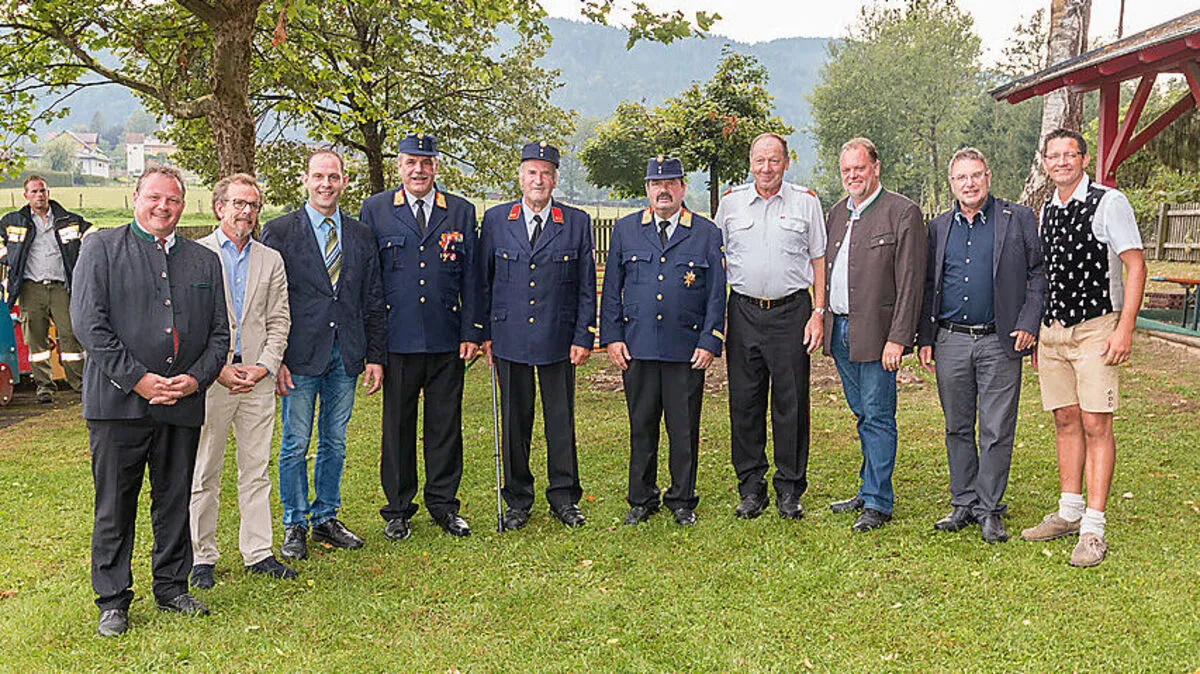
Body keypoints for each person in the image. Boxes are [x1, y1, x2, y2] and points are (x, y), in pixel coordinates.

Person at [71, 165, 229, 636]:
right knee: (115, 503)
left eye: (173, 200)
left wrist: (195, 380)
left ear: (184, 205)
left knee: (174, 497)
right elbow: (88, 324)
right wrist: (137, 379)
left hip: (181, 404)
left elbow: (220, 335)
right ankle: (113, 598)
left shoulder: (203, 260)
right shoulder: (100, 249)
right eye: (155, 198)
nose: (163, 207)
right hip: (117, 405)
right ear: (134, 198)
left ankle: (172, 585)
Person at [1019, 128, 1146, 568]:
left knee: (1096, 423)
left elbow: (1135, 265)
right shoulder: (1046, 209)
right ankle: (1068, 511)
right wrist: (1037, 332)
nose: (1060, 162)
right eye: (1052, 156)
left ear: (1084, 157)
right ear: (1045, 162)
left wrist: (1124, 328)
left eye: (1068, 155)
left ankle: (1093, 527)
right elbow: (1043, 275)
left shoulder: (1109, 202)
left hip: (1095, 328)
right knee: (1065, 418)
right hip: (1053, 332)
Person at [261, 150, 387, 561]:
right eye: (318, 176)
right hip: (298, 356)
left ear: (344, 181)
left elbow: (373, 297)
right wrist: (274, 357)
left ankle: (326, 517)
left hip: (345, 354)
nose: (325, 184)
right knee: (295, 442)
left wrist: (374, 354)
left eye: (333, 177)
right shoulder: (279, 232)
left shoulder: (361, 235)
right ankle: (295, 522)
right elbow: (267, 301)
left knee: (335, 440)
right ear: (305, 179)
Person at [917, 148, 1045, 544]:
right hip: (951, 339)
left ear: (988, 176)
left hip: (999, 339)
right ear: (951, 184)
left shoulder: (1018, 218)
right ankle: (963, 501)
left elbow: (1039, 274)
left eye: (975, 176)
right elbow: (926, 285)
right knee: (957, 426)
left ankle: (990, 509)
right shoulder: (938, 227)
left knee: (996, 427)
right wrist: (925, 337)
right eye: (960, 178)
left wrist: (1028, 323)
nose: (969, 184)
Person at [359, 133, 481, 541]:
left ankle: (444, 505)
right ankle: (397, 508)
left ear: (436, 167)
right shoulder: (376, 210)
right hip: (398, 339)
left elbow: (472, 278)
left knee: (446, 425)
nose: (419, 170)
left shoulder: (460, 211)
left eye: (426, 162)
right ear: (399, 165)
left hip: (448, 338)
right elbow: (369, 281)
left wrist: (472, 331)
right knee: (397, 427)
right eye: (411, 162)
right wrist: (373, 344)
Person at [600, 156, 727, 527]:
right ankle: (641, 498)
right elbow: (611, 290)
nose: (663, 190)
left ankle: (682, 498)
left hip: (685, 350)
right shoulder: (626, 230)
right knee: (641, 424)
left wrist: (710, 341)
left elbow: (717, 293)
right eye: (656, 184)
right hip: (637, 346)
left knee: (683, 427)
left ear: (683, 188)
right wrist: (612, 338)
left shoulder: (705, 233)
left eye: (671, 183)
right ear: (647, 190)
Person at [477, 141, 597, 531]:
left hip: (558, 337)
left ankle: (564, 497)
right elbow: (483, 282)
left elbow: (584, 286)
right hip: (510, 335)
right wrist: (484, 334)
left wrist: (584, 336)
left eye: (546, 173)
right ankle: (518, 499)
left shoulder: (575, 221)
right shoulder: (496, 220)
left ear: (555, 179)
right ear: (521, 176)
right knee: (515, 421)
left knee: (560, 420)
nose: (539, 180)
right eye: (532, 172)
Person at [188, 173, 295, 589]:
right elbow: (191, 324)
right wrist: (216, 368)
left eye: (252, 205)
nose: (245, 212)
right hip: (212, 379)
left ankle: (258, 552)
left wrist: (265, 366)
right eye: (238, 203)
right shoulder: (196, 256)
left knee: (256, 469)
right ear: (220, 207)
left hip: (256, 379)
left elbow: (279, 320)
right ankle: (202, 556)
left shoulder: (271, 260)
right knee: (204, 470)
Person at [714, 133, 827, 521]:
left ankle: (789, 489)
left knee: (790, 403)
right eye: (760, 160)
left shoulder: (807, 203)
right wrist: (720, 316)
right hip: (743, 312)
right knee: (744, 403)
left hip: (791, 312)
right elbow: (719, 260)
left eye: (774, 160)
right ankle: (750, 488)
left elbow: (819, 260)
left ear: (786, 162)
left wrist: (819, 312)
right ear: (750, 162)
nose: (766, 168)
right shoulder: (729, 204)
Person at [823, 137, 926, 532]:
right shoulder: (836, 212)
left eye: (859, 168)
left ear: (876, 168)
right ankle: (867, 490)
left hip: (878, 335)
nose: (853, 176)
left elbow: (911, 282)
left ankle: (879, 502)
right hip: (842, 330)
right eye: (846, 170)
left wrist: (898, 339)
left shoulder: (902, 213)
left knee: (879, 415)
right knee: (862, 413)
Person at [1, 175, 91, 403]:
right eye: (34, 192)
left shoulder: (68, 220)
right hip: (30, 288)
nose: (39, 195)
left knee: (71, 335)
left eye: (42, 191)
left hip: (62, 286)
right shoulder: (13, 221)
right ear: (26, 196)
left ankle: (79, 383)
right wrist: (7, 258)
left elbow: (93, 238)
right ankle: (44, 387)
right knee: (36, 340)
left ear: (48, 193)